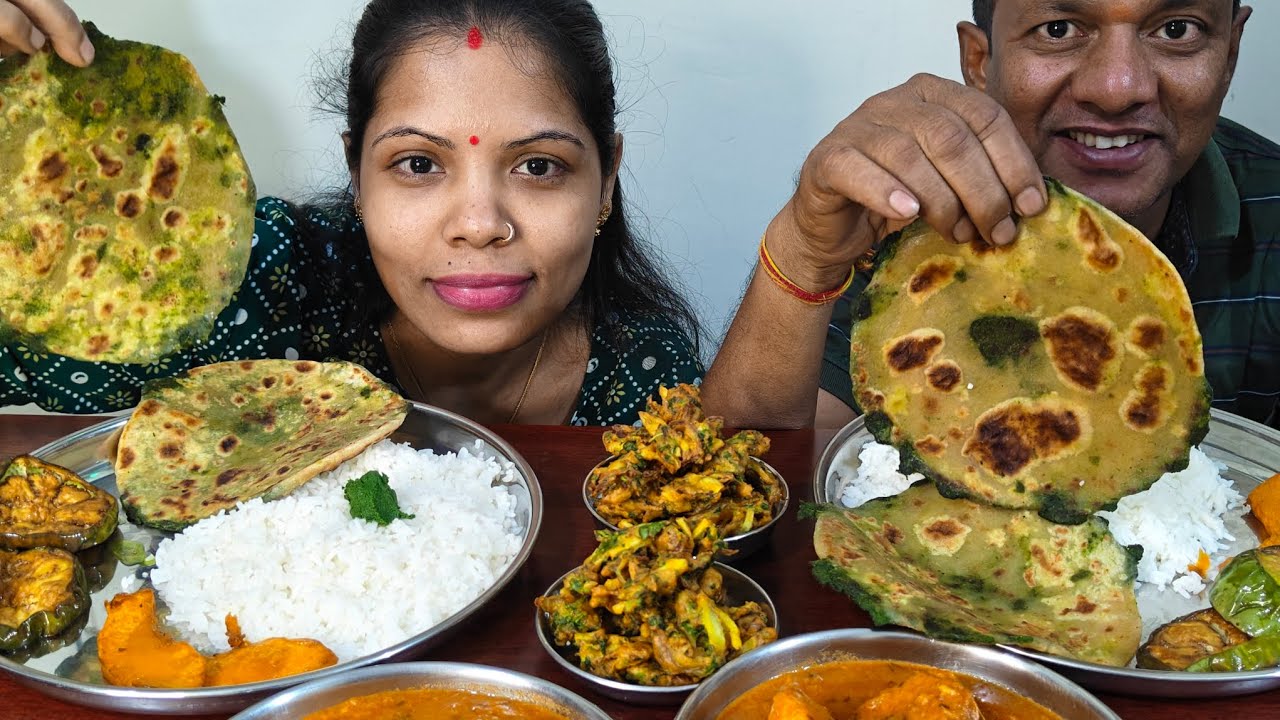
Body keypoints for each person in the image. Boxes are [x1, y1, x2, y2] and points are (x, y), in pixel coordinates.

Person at [0, 0, 703, 426]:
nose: (479, 223)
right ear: (356, 174)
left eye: (539, 166)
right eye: (419, 164)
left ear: (606, 179)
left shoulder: (643, 374)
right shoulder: (246, 284)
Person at [701, 0, 1280, 430]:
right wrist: (806, 254)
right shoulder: (905, 210)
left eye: (1177, 29)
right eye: (1058, 29)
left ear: (1229, 53)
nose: (1116, 88)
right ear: (979, 61)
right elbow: (762, 474)